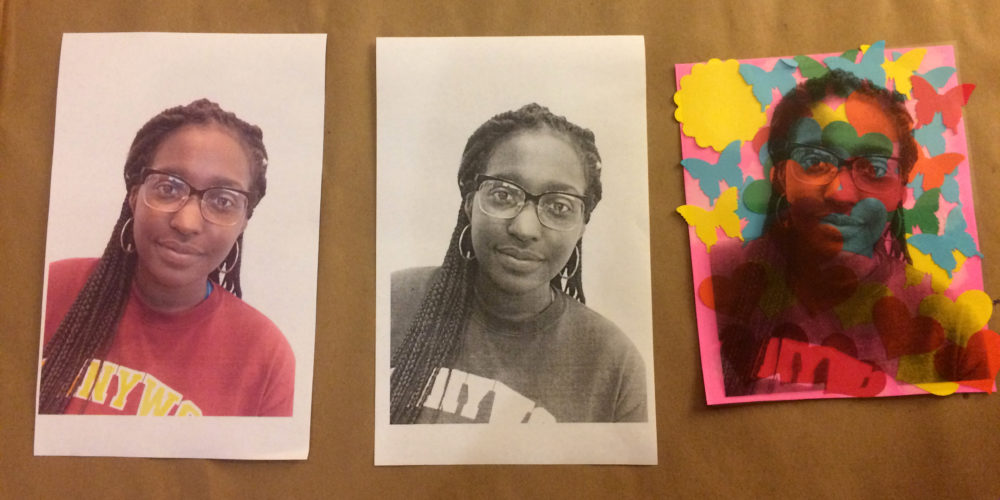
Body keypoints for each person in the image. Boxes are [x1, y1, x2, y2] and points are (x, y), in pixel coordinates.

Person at [390, 103, 647, 424]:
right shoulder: (392, 302)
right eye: (503, 195)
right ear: (470, 204)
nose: (524, 229)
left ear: (582, 224)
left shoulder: (612, 363)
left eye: (559, 206)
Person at [39, 99, 294, 416]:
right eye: (169, 188)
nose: (186, 223)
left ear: (244, 220)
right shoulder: (48, 291)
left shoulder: (264, 355)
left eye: (223, 200)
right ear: (134, 196)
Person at [711, 70, 934, 396]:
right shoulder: (713, 280)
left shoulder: (946, 318)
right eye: (815, 161)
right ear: (780, 176)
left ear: (902, 188)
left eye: (874, 168)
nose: (841, 193)